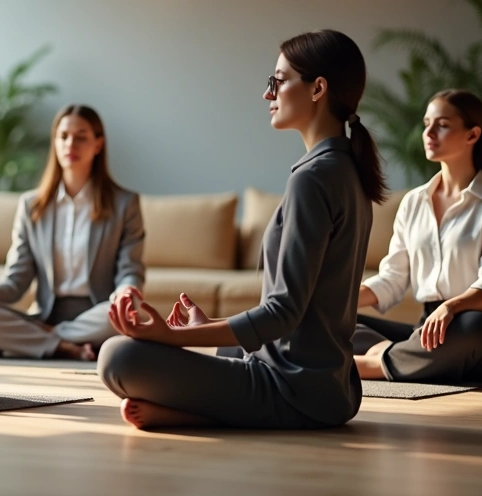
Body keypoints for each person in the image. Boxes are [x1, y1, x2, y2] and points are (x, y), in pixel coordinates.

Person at [97, 29, 386, 430]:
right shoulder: (348, 173)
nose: (269, 94)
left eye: (278, 81)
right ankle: (198, 407)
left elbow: (282, 313)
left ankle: (202, 414)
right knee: (208, 351)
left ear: (318, 88)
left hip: (296, 390)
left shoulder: (314, 179)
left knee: (117, 357)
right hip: (333, 388)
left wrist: (169, 337)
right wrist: (207, 331)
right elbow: (302, 315)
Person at [353, 89, 482, 383]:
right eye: (426, 123)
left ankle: (367, 366)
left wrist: (451, 307)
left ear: (472, 135)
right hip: (429, 333)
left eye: (442, 124)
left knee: (473, 326)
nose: (428, 132)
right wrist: (336, 302)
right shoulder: (413, 202)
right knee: (340, 322)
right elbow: (392, 279)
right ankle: (393, 357)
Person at [0, 105, 145, 361]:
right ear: (55, 142)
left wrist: (127, 291)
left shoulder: (125, 204)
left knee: (127, 308)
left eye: (81, 136)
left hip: (97, 314)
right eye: (63, 136)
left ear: (98, 144)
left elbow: (130, 270)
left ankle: (46, 338)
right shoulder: (31, 206)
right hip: (47, 312)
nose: (71, 144)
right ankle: (66, 346)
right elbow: (16, 282)